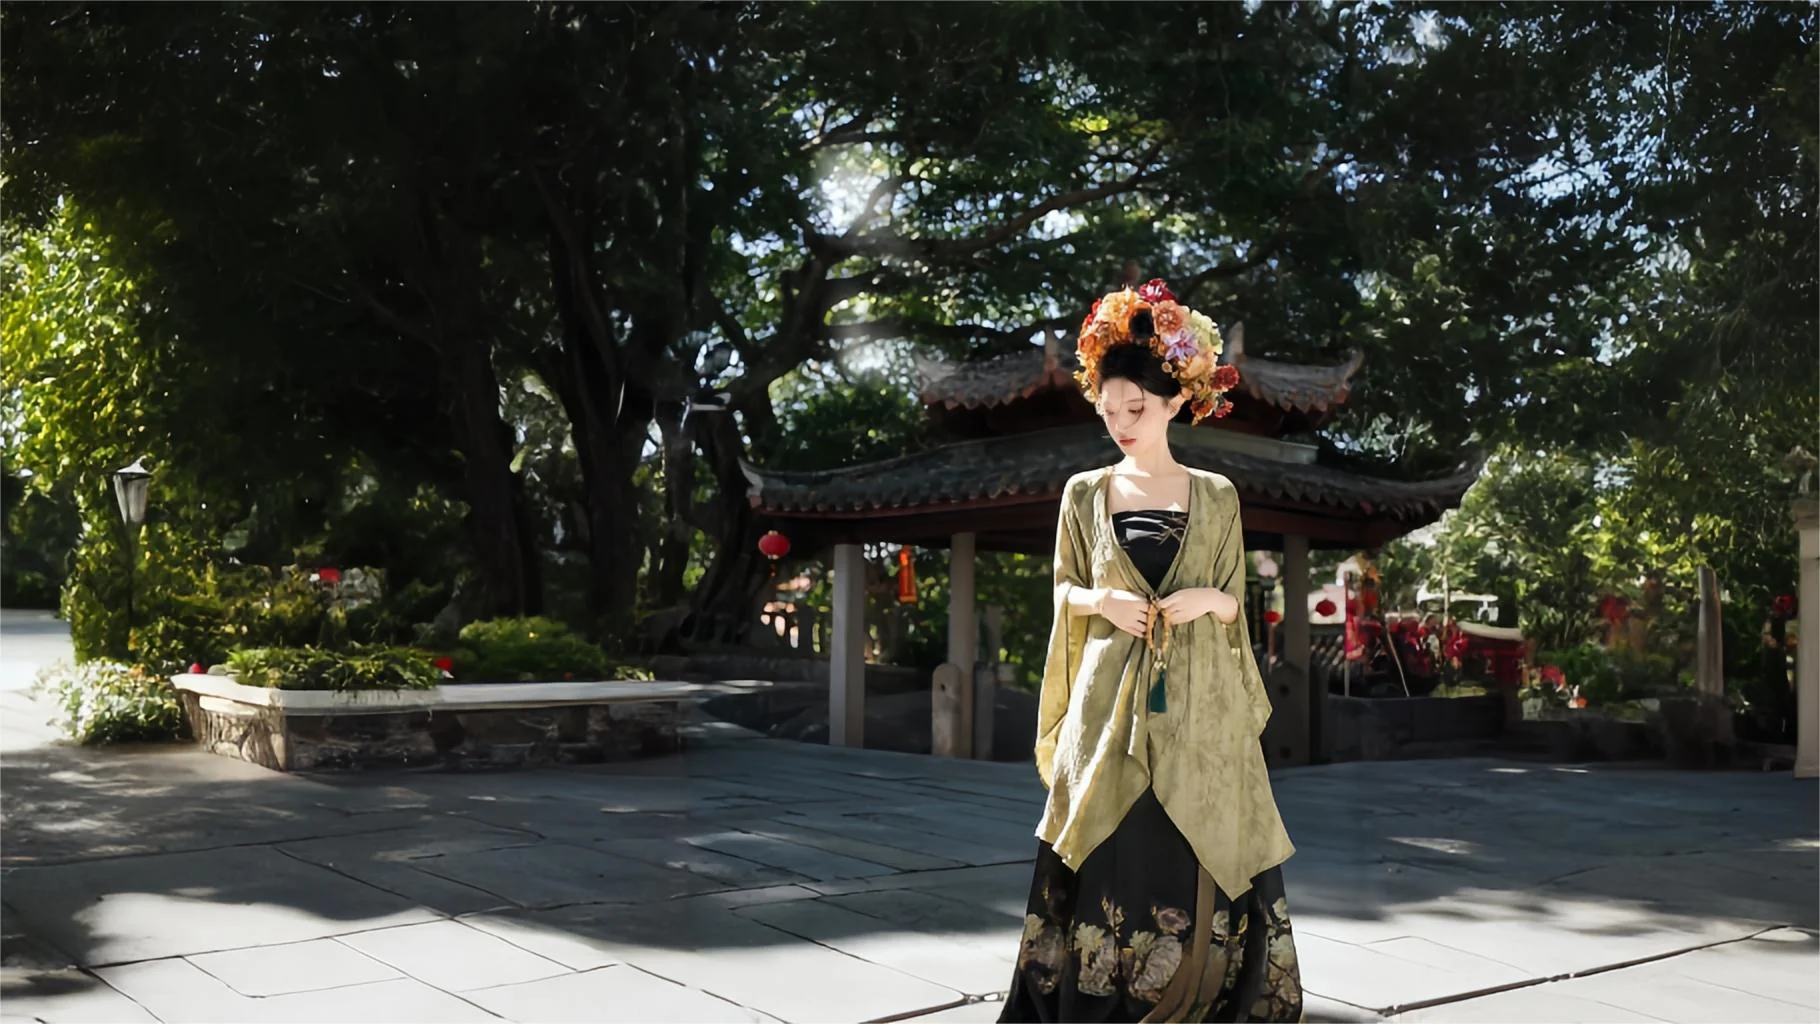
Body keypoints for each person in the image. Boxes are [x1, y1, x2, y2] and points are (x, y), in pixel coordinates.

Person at [1000, 280, 1303, 1023]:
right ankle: (1098, 998)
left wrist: (1209, 601)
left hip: (1200, 704)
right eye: (1108, 411)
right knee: (1110, 839)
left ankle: (1203, 991)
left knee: (1194, 836)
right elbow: (1063, 592)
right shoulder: (1083, 492)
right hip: (1107, 704)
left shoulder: (1218, 495)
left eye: (1135, 408)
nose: (1120, 424)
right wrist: (1101, 601)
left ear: (1175, 401)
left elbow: (1233, 600)